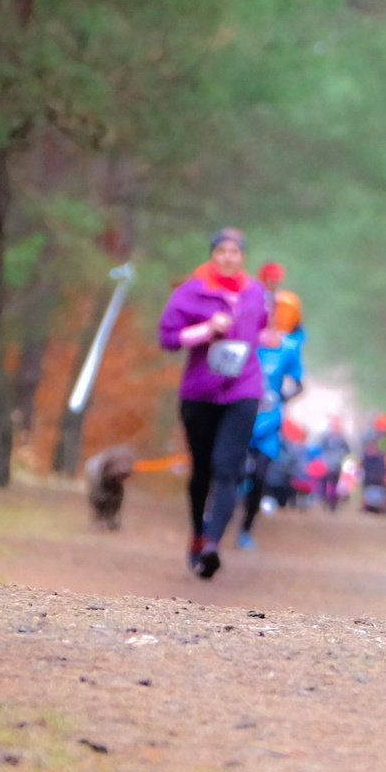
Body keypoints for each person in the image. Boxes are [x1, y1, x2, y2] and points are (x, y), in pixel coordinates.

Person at [160, 228, 273, 579]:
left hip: (243, 389)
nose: (228, 257)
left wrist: (268, 338)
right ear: (212, 254)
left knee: (228, 468)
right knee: (203, 470)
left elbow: (260, 328)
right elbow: (169, 338)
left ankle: (211, 544)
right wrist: (208, 329)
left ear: (242, 257)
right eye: (222, 250)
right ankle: (198, 533)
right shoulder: (191, 292)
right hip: (199, 392)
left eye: (234, 251)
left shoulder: (256, 292)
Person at [236, 274, 305, 547]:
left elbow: (299, 384)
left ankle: (246, 530)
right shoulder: (249, 340)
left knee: (260, 477)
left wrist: (281, 398)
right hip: (240, 416)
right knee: (231, 472)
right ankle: (215, 517)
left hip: (269, 424)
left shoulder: (289, 349)